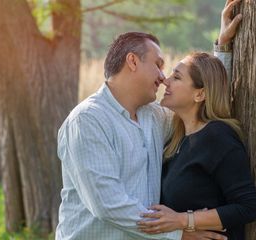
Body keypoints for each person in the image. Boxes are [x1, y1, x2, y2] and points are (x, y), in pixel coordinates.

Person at [55, 0, 243, 239]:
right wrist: (178, 234)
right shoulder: (87, 121)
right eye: (158, 64)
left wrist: (223, 47)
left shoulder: (153, 117)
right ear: (132, 61)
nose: (164, 77)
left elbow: (199, 99)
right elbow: (108, 205)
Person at [136, 39, 256, 240]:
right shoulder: (174, 137)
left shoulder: (218, 137)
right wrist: (223, 45)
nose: (165, 81)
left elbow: (246, 207)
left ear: (200, 94)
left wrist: (183, 220)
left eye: (177, 77)